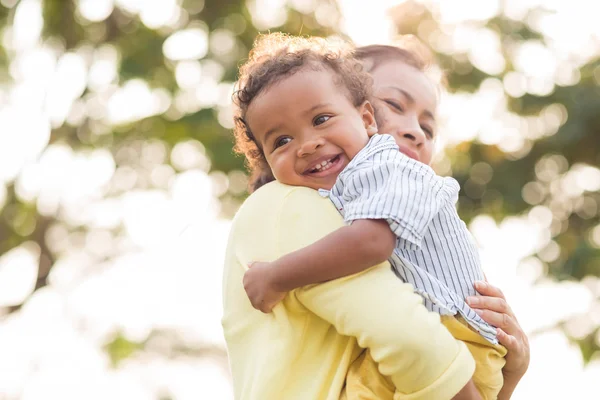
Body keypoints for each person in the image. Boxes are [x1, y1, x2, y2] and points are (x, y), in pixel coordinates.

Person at [236, 34, 528, 399]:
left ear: (365, 117)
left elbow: (372, 246)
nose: (414, 131)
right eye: (395, 104)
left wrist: (277, 276)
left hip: (454, 343)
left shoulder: (387, 171)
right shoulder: (300, 204)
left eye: (429, 126)